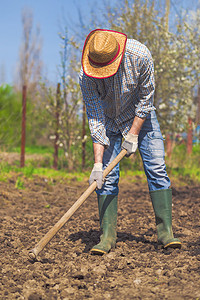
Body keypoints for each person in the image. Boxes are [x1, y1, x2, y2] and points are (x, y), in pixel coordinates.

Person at [79, 29, 181, 255]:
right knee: (106, 178)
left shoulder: (140, 56)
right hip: (108, 121)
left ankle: (166, 232)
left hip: (141, 118)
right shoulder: (87, 76)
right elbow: (96, 118)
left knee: (156, 168)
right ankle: (107, 237)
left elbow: (146, 99)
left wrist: (134, 134)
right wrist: (97, 165)